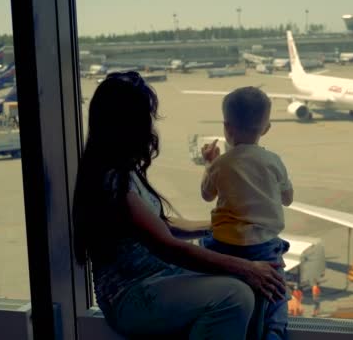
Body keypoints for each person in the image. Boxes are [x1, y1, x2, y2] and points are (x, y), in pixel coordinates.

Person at [72, 72, 285, 340]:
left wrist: (226, 226)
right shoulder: (112, 183)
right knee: (235, 295)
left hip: (157, 280)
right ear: (126, 126)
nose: (150, 128)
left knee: (244, 285)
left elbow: (159, 225)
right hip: (132, 297)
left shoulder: (122, 171)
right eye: (144, 118)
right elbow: (168, 247)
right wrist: (246, 267)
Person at [198, 86, 295, 339]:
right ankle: (273, 333)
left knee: (221, 290)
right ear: (266, 129)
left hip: (225, 246)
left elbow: (207, 195)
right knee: (275, 296)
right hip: (263, 246)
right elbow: (288, 199)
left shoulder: (221, 164)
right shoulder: (273, 161)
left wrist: (210, 164)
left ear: (226, 128)